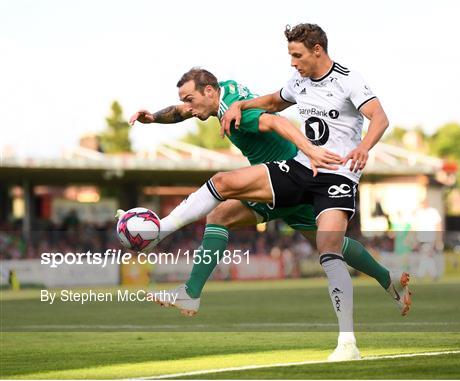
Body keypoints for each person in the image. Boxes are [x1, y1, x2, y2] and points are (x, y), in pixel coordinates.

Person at [126, 23, 410, 359]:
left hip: (313, 171)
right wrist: (154, 118)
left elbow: (279, 120)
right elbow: (272, 101)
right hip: (293, 174)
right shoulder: (232, 94)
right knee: (237, 216)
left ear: (210, 91)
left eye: (297, 55)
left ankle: (166, 241)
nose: (187, 108)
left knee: (325, 246)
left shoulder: (345, 80)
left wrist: (349, 148)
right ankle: (386, 278)